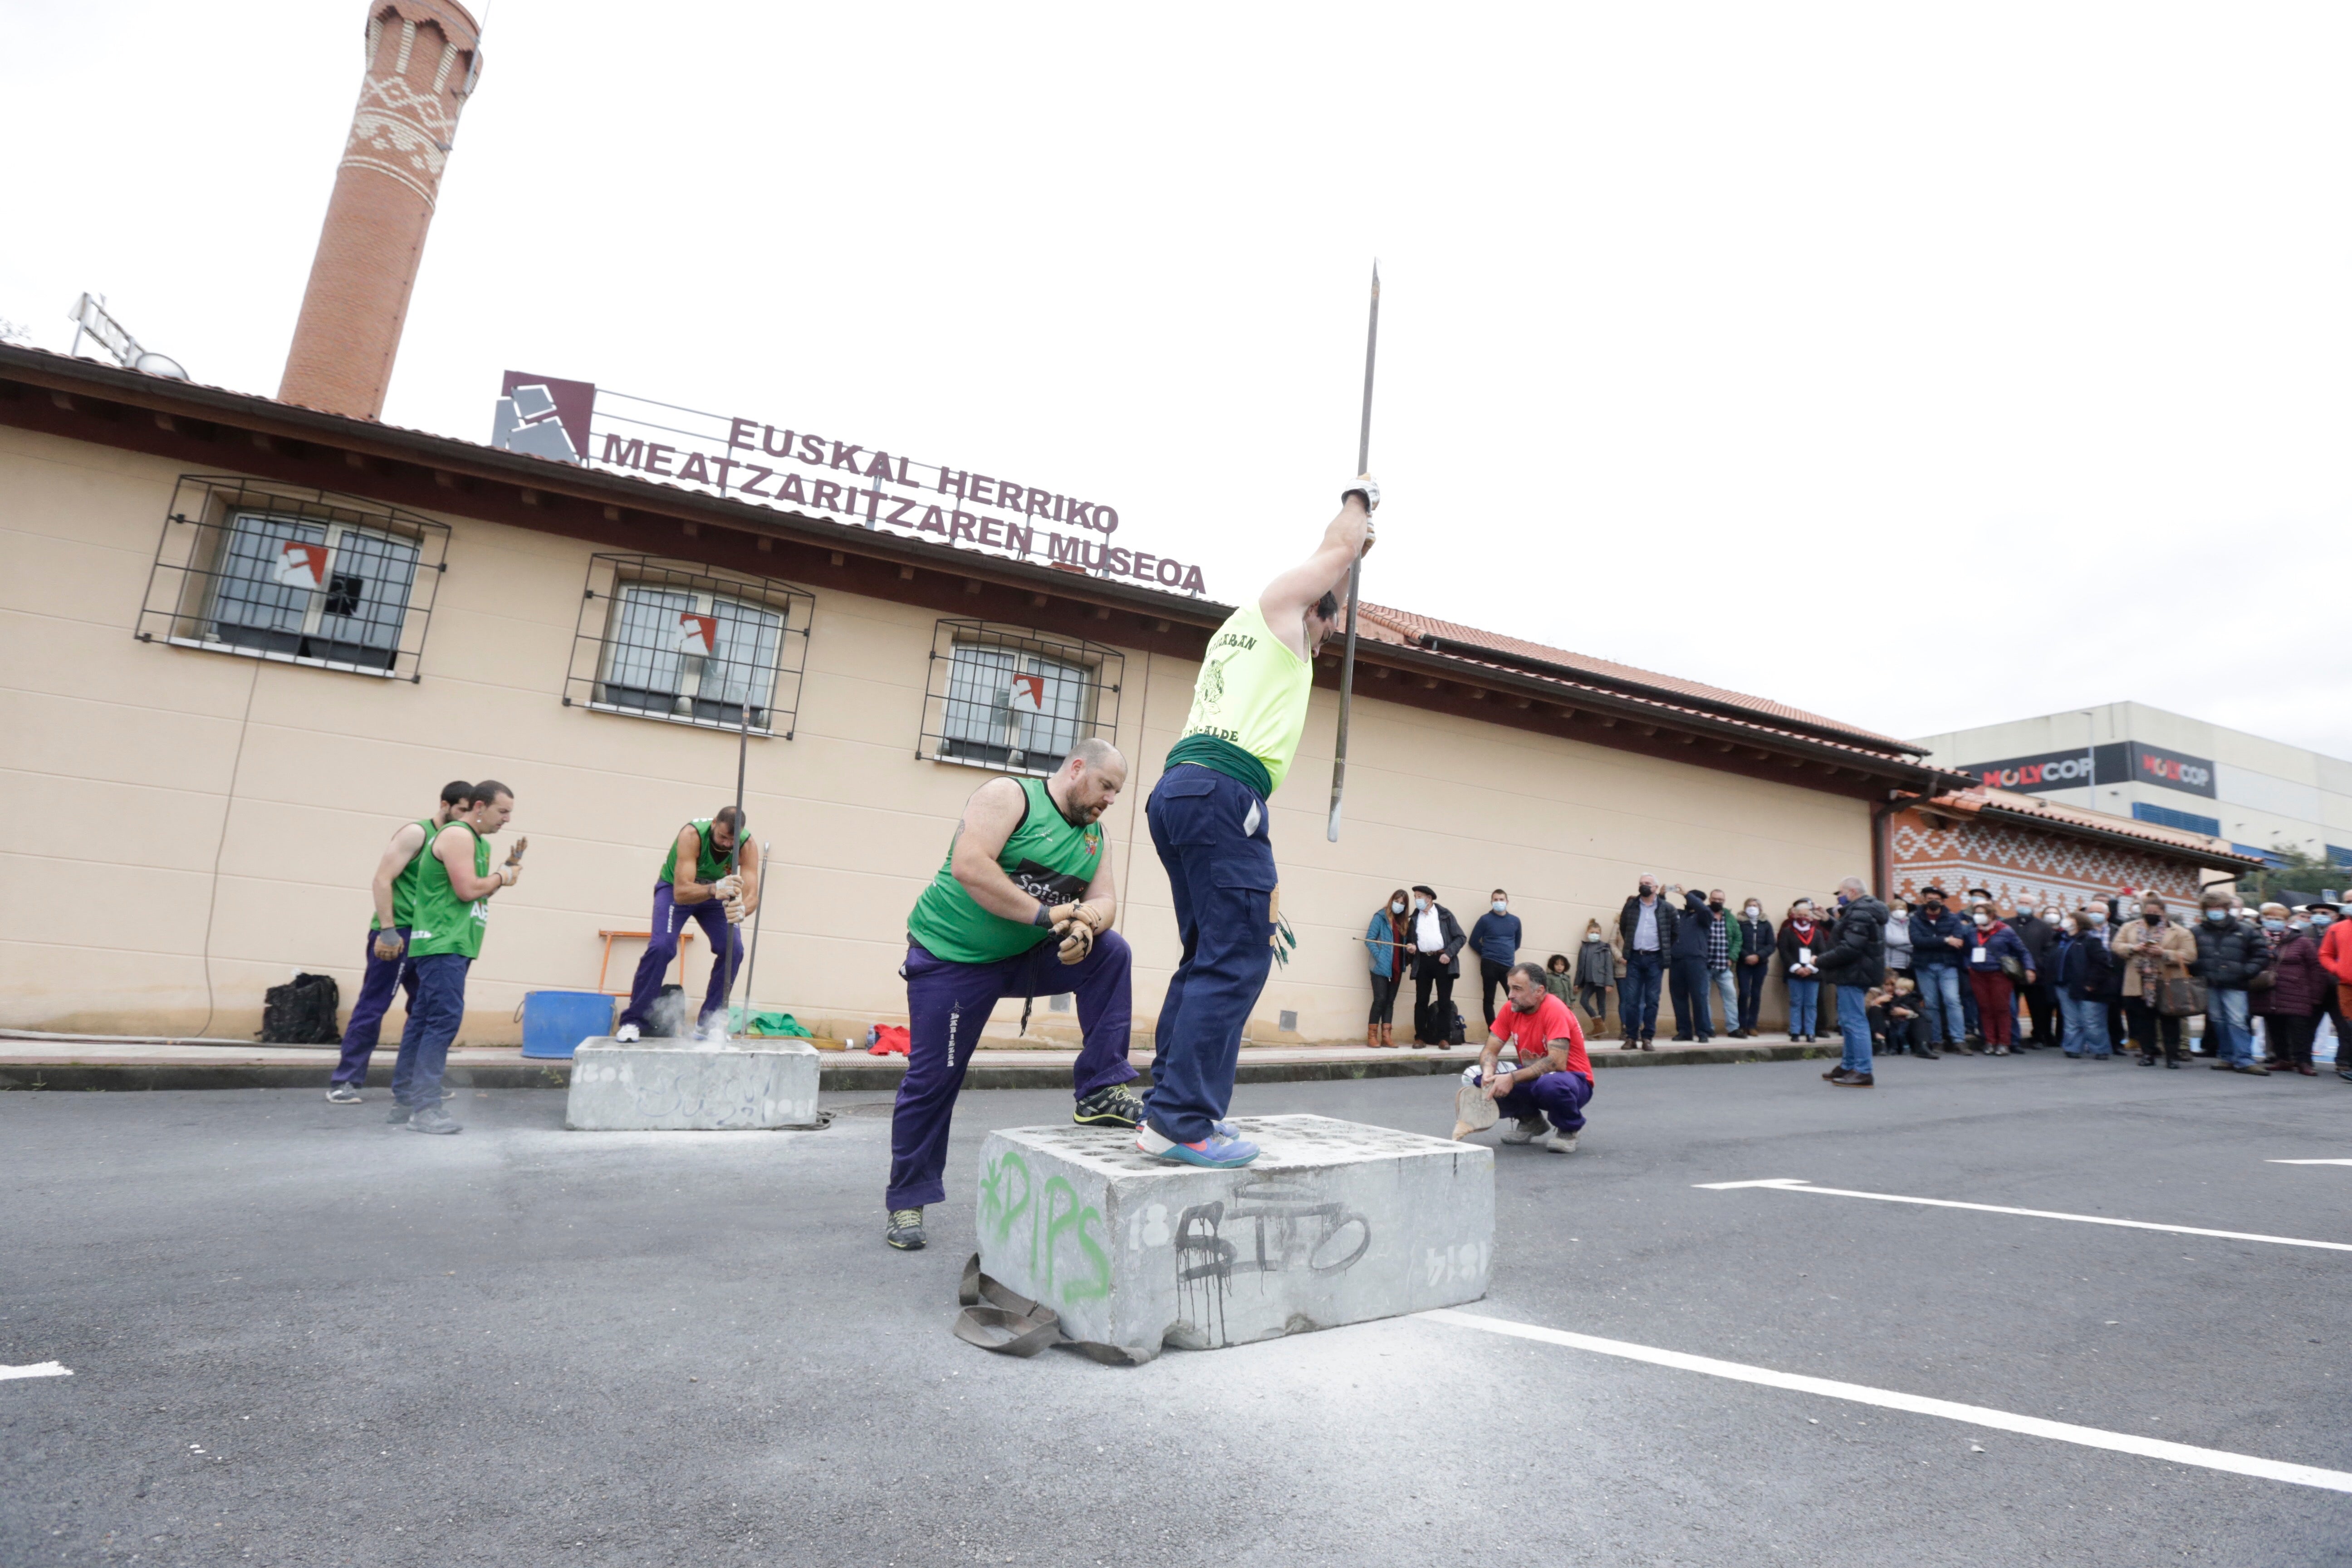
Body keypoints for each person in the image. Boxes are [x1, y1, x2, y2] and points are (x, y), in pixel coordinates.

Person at [1141, 476, 1376, 1167]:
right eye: (1329, 625)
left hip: (1183, 791)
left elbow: (1337, 565)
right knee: (1237, 959)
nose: (1327, 641)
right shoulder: (1278, 608)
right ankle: (1182, 1120)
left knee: (1207, 958)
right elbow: (1335, 549)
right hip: (1221, 791)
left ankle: (1168, 1112)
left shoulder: (1245, 635)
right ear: (1314, 608)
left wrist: (1356, 550)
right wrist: (1361, 501)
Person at [886, 739, 1139, 1250]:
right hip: (953, 959)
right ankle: (907, 1201)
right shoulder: (1010, 797)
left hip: (1024, 957)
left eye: (1117, 792)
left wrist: (1086, 923)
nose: (1111, 800)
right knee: (934, 1080)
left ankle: (1100, 1090)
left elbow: (1106, 899)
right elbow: (970, 866)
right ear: (1076, 769)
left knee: (1111, 952)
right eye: (1106, 786)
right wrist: (1046, 915)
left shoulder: (1095, 838)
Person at [327, 779, 475, 1105]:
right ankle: (346, 1081)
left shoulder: (461, 840)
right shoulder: (417, 833)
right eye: (461, 810)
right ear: (445, 805)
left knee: (427, 1010)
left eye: (470, 812)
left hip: (431, 937)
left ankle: (415, 1085)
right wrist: (388, 930)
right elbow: (382, 879)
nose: (465, 817)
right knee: (373, 1006)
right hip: (399, 931)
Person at [389, 782, 523, 1133]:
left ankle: (406, 1101)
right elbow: (467, 891)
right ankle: (425, 1109)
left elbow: (477, 894)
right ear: (480, 806)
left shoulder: (477, 842)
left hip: (454, 942)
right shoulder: (459, 836)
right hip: (443, 942)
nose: (507, 819)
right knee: (443, 1020)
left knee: (423, 1020)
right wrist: (502, 875)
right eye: (502, 811)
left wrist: (503, 873)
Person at [613, 808, 762, 1043]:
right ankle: (633, 1021)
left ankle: (708, 1024)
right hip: (678, 890)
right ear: (714, 824)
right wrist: (714, 889)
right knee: (662, 947)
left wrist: (743, 909)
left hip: (716, 894)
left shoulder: (747, 845)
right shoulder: (692, 835)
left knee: (734, 949)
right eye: (723, 837)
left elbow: (753, 894)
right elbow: (682, 893)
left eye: (732, 841)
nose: (727, 844)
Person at [1462, 961, 1593, 1153]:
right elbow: (1490, 1051)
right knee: (1474, 1075)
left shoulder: (1555, 1009)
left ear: (1539, 992)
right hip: (1535, 1078)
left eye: (1517, 989)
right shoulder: (1511, 1009)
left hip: (1572, 1081)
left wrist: (1511, 1078)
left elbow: (1557, 1062)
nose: (1510, 995)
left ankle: (1569, 1128)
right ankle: (1531, 1121)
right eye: (1510, 988)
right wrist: (1489, 1074)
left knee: (1550, 1084)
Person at [1814, 877, 1887, 1086]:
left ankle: (1863, 1071)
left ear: (1852, 892)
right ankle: (1849, 1066)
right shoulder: (1863, 911)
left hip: (1855, 973)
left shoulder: (1860, 912)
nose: (1839, 897)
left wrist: (1819, 960)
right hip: (1856, 972)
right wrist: (1828, 920)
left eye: (1840, 893)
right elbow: (1851, 935)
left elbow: (1850, 948)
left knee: (1854, 1022)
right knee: (1848, 1022)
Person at [2193, 889, 2272, 1075]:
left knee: (2238, 1021)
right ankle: (2227, 1056)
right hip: (2210, 983)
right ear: (2205, 910)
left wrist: (2246, 972)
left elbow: (2262, 955)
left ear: (2227, 908)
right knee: (2217, 1021)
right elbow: (2191, 956)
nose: (2215, 911)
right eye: (2211, 907)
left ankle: (2244, 1059)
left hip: (2236, 984)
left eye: (2219, 907)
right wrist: (2199, 972)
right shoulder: (2196, 931)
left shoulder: (2246, 930)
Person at [2112, 894, 2195, 1067]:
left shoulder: (2179, 931)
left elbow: (2190, 955)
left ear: (2163, 913)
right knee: (2144, 1020)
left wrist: (2164, 953)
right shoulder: (2129, 927)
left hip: (2166, 982)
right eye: (2148, 912)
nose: (2151, 914)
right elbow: (2117, 945)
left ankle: (2172, 1056)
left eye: (2156, 912)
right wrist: (2133, 948)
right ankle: (2148, 1054)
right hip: (2139, 982)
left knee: (2169, 1021)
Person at [2254, 902, 2326, 1077]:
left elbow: (2315, 968)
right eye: (2269, 918)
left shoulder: (2302, 941)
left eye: (2277, 919)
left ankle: (2304, 1062)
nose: (2273, 922)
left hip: (2297, 991)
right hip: (2268, 991)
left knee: (2300, 1029)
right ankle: (2283, 1059)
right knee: (2274, 1026)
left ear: (2287, 921)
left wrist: (2316, 994)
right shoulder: (2258, 939)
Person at [1961, 901, 2034, 1056]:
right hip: (1978, 974)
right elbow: (1966, 951)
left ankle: (2004, 1043)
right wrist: (1969, 966)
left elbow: (2023, 951)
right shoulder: (1972, 932)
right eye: (1976, 913)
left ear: (1991, 915)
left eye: (1981, 913)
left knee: (2001, 1009)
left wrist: (2029, 968)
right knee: (1985, 1008)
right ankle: (1990, 1041)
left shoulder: (2005, 931)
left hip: (1999, 974)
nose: (1978, 916)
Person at [1617, 875, 1675, 1050]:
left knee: (1652, 1000)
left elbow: (1674, 932)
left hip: (1655, 959)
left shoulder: (1666, 908)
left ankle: (1648, 1038)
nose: (1644, 886)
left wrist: (1664, 949)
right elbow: (1624, 927)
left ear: (1656, 887)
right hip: (1635, 958)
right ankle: (1631, 1037)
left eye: (1648, 884)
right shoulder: (1631, 906)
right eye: (1641, 883)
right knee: (1631, 1000)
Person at [1907, 886, 1968, 1053]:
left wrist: (1933, 941)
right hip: (1924, 966)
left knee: (1952, 1001)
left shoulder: (1953, 918)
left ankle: (1959, 1040)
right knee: (1931, 1004)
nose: (1933, 902)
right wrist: (1946, 940)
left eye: (1937, 899)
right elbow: (1917, 941)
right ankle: (1936, 1040)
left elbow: (1958, 942)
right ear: (1923, 900)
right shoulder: (1915, 919)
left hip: (1948, 966)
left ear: (1942, 901)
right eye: (1930, 899)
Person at [2053, 908, 2119, 1058]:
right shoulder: (2061, 940)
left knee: (2092, 1021)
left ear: (2079, 923)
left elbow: (2102, 963)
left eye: (2070, 918)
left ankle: (2101, 1050)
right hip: (2064, 985)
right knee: (2072, 1020)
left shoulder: (2090, 940)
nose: (2066, 920)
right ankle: (2073, 1048)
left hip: (2089, 987)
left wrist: (2092, 983)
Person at [1406, 887, 1468, 1048]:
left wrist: (1449, 953)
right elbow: (1409, 940)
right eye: (1415, 897)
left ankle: (1444, 1038)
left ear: (1429, 898)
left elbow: (1461, 937)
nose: (1417, 899)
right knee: (1421, 1001)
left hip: (1443, 960)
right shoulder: (1414, 918)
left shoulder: (1445, 915)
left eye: (1420, 896)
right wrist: (1411, 948)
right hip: (1423, 961)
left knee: (1444, 1001)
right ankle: (1420, 1037)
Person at [1362, 889, 1411, 1047]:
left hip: (1396, 968)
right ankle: (1372, 1036)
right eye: (1397, 901)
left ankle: (1386, 1037)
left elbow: (1403, 945)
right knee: (1380, 1000)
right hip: (1379, 967)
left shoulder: (1403, 923)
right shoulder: (1380, 917)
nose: (1399, 905)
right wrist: (1380, 957)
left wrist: (1409, 949)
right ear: (1392, 901)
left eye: (1402, 903)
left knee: (1390, 1002)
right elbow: (1369, 940)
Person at [1667, 887, 1716, 1043]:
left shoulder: (1704, 916)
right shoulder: (1679, 915)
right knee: (1678, 998)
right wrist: (1661, 895)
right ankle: (1684, 1032)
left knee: (1699, 997)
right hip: (1677, 960)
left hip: (1696, 961)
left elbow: (1704, 909)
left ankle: (1703, 1032)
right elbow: (1663, 911)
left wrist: (1686, 894)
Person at [1469, 889, 1523, 1029]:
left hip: (1508, 966)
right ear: (1492, 902)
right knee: (1489, 999)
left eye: (1501, 900)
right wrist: (1487, 954)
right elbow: (1473, 941)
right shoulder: (1485, 920)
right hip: (1489, 964)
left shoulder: (1515, 921)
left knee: (1514, 999)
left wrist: (1505, 953)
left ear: (1507, 902)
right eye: (1496, 900)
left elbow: (1517, 944)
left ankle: (1517, 1030)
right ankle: (1493, 1031)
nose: (1499, 902)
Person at [2011, 902, 2063, 1048]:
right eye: (2049, 913)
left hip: (2040, 974)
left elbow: (2048, 951)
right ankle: (2014, 1037)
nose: (2052, 916)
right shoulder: (2010, 924)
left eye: (2055, 913)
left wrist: (2039, 967)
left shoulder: (2053, 931)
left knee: (2039, 1008)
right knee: (2012, 1008)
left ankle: (2042, 1036)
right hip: (2013, 972)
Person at [1778, 898, 1824, 1042]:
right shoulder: (1787, 932)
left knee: (1811, 1004)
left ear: (1811, 918)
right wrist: (1797, 968)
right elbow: (1784, 951)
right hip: (1795, 973)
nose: (1803, 918)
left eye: (1806, 915)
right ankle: (1795, 1031)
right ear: (1795, 915)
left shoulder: (1817, 933)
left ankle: (1810, 1032)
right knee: (1796, 1003)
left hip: (1813, 973)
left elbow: (1822, 952)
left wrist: (1810, 968)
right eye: (1800, 915)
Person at [1702, 888, 1743, 1041]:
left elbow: (1738, 939)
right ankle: (1708, 1028)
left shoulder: (1730, 918)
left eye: (1720, 900)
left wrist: (1732, 957)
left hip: (1724, 967)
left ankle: (1734, 1028)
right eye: (1715, 899)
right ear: (1710, 900)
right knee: (1704, 998)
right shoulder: (1703, 914)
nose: (1717, 902)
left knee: (1731, 997)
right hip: (1705, 966)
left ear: (1724, 901)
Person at [1732, 897, 1773, 1040]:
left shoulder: (1766, 924)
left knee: (1756, 994)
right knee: (1744, 993)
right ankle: (1741, 1024)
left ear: (1760, 908)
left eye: (1755, 905)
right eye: (1750, 905)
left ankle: (1752, 1025)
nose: (1752, 908)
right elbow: (1736, 941)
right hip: (1744, 964)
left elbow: (1771, 945)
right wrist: (1746, 956)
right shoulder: (1740, 923)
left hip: (1761, 964)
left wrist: (1759, 956)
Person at [1572, 920, 1616, 1029]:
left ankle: (1600, 1029)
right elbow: (1580, 967)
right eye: (1592, 932)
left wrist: (1609, 983)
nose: (1595, 935)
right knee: (1584, 1001)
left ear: (1600, 934)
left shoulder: (1605, 947)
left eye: (1597, 933)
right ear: (1587, 933)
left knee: (1601, 1005)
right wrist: (1577, 983)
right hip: (1589, 981)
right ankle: (1599, 1023)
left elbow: (1609, 966)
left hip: (1601, 981)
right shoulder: (1584, 948)